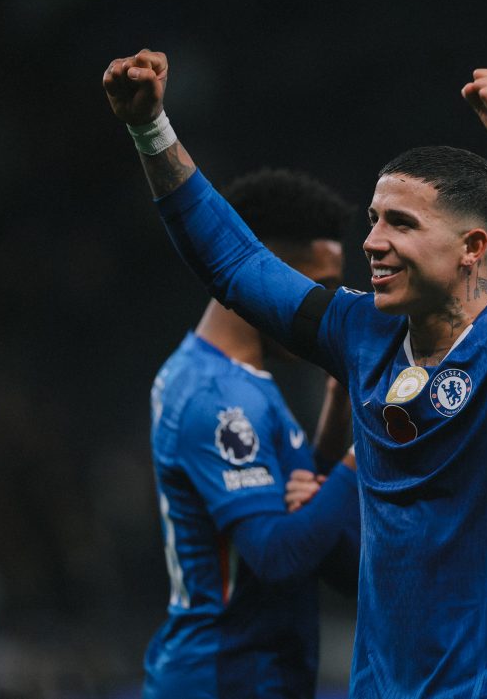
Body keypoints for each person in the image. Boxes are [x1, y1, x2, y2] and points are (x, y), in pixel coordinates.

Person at [104, 50, 487, 696]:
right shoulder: (362, 331)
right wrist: (151, 129)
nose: (373, 242)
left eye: (400, 222)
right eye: (375, 219)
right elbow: (232, 261)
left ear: (472, 248)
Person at [144, 167, 361, 698]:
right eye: (321, 287)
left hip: (252, 674)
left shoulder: (243, 380)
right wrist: (364, 459)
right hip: (223, 677)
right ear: (272, 274)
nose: (328, 307)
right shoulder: (220, 399)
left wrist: (338, 413)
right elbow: (276, 554)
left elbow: (308, 519)